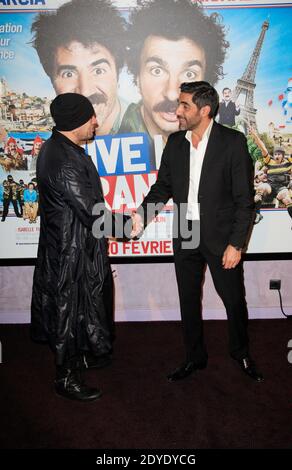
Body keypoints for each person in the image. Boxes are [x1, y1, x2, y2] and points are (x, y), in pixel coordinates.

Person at [132, 81, 263, 382]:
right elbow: (162, 187)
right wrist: (140, 216)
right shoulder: (175, 142)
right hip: (185, 232)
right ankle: (194, 356)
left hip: (221, 237)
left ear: (204, 110)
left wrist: (236, 244)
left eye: (184, 105)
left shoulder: (232, 142)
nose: (177, 110)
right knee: (188, 299)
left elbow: (245, 200)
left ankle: (241, 353)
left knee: (233, 300)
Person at [31, 93, 115, 402]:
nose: (96, 121)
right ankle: (64, 377)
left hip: (72, 245)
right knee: (67, 310)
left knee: (77, 307)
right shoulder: (64, 159)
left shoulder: (62, 149)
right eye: (91, 116)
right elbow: (93, 213)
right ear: (74, 121)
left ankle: (78, 357)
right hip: (70, 251)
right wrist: (130, 225)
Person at [119, 0, 229, 167]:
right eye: (157, 70)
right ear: (137, 76)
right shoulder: (115, 148)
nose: (172, 93)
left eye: (189, 74)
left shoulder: (222, 148)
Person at [31, 0, 127, 136]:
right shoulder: (47, 141)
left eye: (98, 71)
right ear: (52, 80)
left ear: (118, 73)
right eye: (69, 74)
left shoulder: (150, 130)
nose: (85, 91)